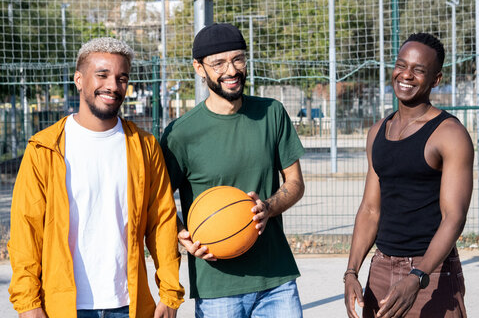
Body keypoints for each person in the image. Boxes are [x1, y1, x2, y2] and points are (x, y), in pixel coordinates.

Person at [8, 37, 184, 318]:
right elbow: (25, 232)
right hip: (64, 307)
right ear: (79, 79)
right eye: (102, 75)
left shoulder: (144, 146)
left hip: (129, 305)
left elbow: (161, 222)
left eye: (122, 77)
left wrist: (170, 293)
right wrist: (28, 303)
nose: (113, 86)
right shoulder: (44, 148)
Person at [160, 23, 305, 318]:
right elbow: (157, 202)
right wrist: (181, 233)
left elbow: (295, 183)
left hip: (275, 278)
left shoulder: (272, 113)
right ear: (199, 68)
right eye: (219, 63)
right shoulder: (180, 134)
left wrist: (269, 207)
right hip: (217, 287)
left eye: (238, 59)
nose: (232, 70)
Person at [344, 33, 473, 318]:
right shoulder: (378, 131)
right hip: (380, 269)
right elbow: (369, 209)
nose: (406, 75)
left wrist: (418, 276)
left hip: (431, 273)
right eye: (402, 65)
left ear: (435, 79)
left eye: (418, 70)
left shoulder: (450, 134)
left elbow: (454, 217)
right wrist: (351, 272)